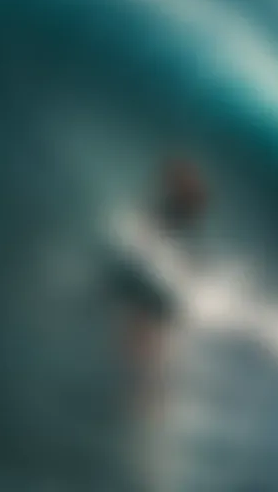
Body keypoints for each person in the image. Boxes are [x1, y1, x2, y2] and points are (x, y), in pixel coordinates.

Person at [104, 157, 209, 416]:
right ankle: (154, 398)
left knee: (141, 347)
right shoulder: (176, 213)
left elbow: (154, 235)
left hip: (158, 289)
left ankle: (151, 400)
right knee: (143, 348)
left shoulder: (170, 210)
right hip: (164, 288)